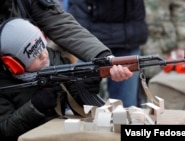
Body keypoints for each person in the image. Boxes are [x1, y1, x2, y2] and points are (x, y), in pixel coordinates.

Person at [0, 1, 134, 140]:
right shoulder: (6, 86)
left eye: (43, 46)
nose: (44, 55)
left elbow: (58, 22)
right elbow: (6, 129)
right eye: (35, 54)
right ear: (15, 65)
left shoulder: (52, 60)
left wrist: (88, 81)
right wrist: (34, 108)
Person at [67, 0, 148, 107]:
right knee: (82, 105)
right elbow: (78, 25)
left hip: (126, 45)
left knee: (126, 108)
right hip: (90, 48)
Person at [140, 0, 185, 82]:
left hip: (160, 42)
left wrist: (181, 45)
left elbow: (180, 11)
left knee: (157, 84)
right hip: (130, 41)